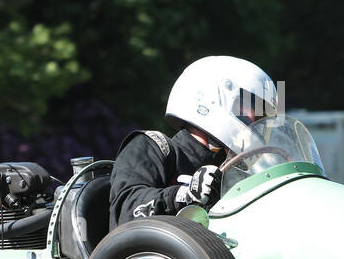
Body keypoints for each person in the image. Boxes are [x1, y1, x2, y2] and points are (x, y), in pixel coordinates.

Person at [109, 55, 278, 228]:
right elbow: (126, 211)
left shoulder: (234, 178)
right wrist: (183, 196)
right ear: (213, 97)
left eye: (263, 116)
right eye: (253, 108)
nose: (257, 121)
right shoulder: (150, 146)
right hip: (155, 254)